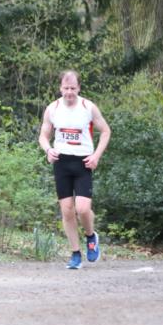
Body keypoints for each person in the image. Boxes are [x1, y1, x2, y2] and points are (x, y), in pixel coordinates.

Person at [38, 70, 111, 269]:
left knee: (83, 208)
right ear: (60, 88)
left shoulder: (88, 107)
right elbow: (43, 135)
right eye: (65, 88)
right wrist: (48, 150)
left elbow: (105, 131)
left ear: (78, 88)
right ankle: (75, 254)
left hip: (83, 162)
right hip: (61, 162)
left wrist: (96, 156)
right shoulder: (52, 109)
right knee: (67, 210)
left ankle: (90, 236)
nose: (69, 92)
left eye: (72, 88)